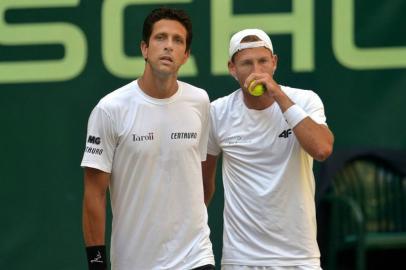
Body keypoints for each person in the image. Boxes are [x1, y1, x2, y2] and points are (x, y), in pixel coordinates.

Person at [81, 7, 215, 270]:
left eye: (178, 41)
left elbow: (201, 178)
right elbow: (94, 195)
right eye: (160, 38)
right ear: (144, 48)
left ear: (186, 55)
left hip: (195, 257)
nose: (169, 46)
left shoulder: (200, 101)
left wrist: (185, 226)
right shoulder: (110, 109)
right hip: (134, 262)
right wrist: (97, 264)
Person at [202, 29, 334, 270]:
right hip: (241, 258)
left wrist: (278, 95)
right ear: (232, 68)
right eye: (246, 63)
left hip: (299, 256)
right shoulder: (216, 113)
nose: (256, 71)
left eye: (263, 61)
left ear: (274, 63)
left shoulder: (305, 101)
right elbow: (203, 184)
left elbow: (322, 149)